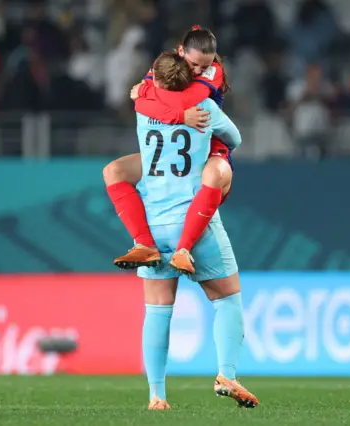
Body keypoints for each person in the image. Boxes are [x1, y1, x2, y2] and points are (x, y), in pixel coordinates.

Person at [135, 52, 259, 411]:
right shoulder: (204, 106)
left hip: (154, 224)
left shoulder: (144, 106)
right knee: (227, 299)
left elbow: (148, 88)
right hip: (195, 218)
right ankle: (226, 374)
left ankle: (156, 396)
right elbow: (234, 137)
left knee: (157, 310)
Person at [104, 26, 233, 276]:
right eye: (194, 64)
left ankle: (185, 248)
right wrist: (169, 111)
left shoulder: (213, 70)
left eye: (203, 66)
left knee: (214, 174)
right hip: (168, 152)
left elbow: (188, 102)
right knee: (113, 171)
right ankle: (144, 244)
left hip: (207, 146)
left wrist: (146, 94)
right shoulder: (163, 66)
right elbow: (145, 107)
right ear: (181, 51)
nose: (198, 71)